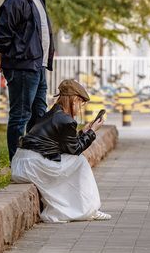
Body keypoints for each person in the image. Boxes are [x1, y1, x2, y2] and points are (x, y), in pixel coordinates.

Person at [10, 79, 111, 222]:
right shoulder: (66, 120)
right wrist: (92, 132)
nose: (80, 108)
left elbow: (65, 145)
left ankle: (82, 208)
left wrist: (83, 132)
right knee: (80, 161)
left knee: (71, 164)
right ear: (75, 100)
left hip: (22, 163)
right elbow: (74, 150)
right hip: (33, 165)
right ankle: (90, 210)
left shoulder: (53, 113)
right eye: (81, 104)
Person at [0, 0, 56, 162]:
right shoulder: (14, 0)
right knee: (20, 116)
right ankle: (17, 164)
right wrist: (2, 56)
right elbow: (2, 35)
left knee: (39, 114)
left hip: (37, 65)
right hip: (22, 66)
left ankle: (36, 160)